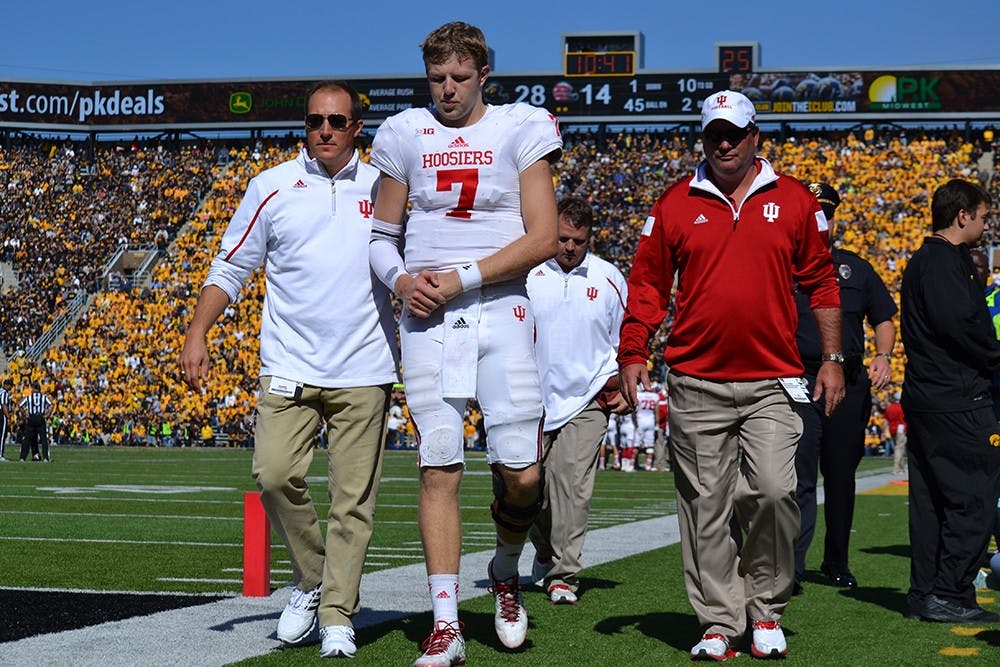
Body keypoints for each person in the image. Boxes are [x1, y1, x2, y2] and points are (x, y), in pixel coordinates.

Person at [618, 90, 845, 660]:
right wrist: (633, 350)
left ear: (755, 138)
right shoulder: (673, 203)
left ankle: (766, 609)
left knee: (773, 491)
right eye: (714, 133)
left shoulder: (794, 199)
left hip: (773, 378)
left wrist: (834, 359)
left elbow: (821, 281)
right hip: (695, 379)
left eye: (734, 133)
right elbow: (647, 285)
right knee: (704, 507)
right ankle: (720, 620)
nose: (724, 142)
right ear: (703, 138)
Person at [178, 80, 399, 659]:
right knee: (273, 474)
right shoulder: (270, 186)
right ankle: (312, 578)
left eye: (337, 121)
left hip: (364, 367)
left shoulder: (385, 188)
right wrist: (199, 330)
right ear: (305, 125)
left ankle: (336, 614)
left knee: (352, 503)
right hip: (289, 364)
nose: (324, 130)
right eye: (314, 120)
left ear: (357, 129)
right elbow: (231, 265)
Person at [368, 21, 561, 666]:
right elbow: (380, 237)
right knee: (439, 463)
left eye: (458, 77)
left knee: (523, 473)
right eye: (436, 78)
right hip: (429, 323)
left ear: (484, 76)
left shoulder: (520, 128)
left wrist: (462, 276)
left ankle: (505, 568)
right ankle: (446, 621)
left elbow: (543, 236)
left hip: (501, 309)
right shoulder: (403, 133)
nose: (447, 90)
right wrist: (401, 279)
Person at [900, 178, 1000, 624]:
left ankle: (926, 593)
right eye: (982, 217)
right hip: (956, 397)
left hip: (928, 395)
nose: (986, 225)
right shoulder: (941, 262)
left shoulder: (930, 259)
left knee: (932, 502)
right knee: (972, 495)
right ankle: (950, 592)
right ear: (963, 215)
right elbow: (961, 325)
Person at [792, 182, 897, 594]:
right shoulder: (784, 264)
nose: (822, 222)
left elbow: (884, 318)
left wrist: (884, 355)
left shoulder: (857, 268)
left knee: (840, 476)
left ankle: (836, 562)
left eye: (828, 214)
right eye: (814, 214)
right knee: (797, 478)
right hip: (798, 381)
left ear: (836, 219)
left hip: (849, 383)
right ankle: (793, 567)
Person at [526, 196, 629, 605]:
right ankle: (546, 548)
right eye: (563, 238)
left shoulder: (610, 278)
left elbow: (627, 338)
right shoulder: (529, 274)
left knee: (571, 484)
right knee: (524, 488)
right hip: (531, 397)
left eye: (578, 241)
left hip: (588, 396)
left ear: (590, 240)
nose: (569, 247)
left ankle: (564, 574)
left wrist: (622, 382)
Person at [19, 381, 54, 462]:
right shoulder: (44, 397)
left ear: (33, 388)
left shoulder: (29, 397)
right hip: (40, 417)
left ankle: (22, 457)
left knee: (27, 438)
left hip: (31, 418)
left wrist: (25, 414)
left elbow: (20, 405)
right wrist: (47, 415)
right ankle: (45, 457)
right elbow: (51, 406)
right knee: (43, 439)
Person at [885, 394, 907, 476]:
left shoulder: (890, 407)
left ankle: (901, 468)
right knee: (899, 448)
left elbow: (886, 420)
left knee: (899, 448)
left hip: (892, 429)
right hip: (901, 428)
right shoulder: (902, 407)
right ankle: (896, 468)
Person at [0, 378, 12, 461]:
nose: (11, 388)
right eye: (10, 386)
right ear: (7, 385)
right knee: (2, 435)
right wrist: (8, 417)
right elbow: (4, 405)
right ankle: (0, 455)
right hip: (1, 414)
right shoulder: (4, 393)